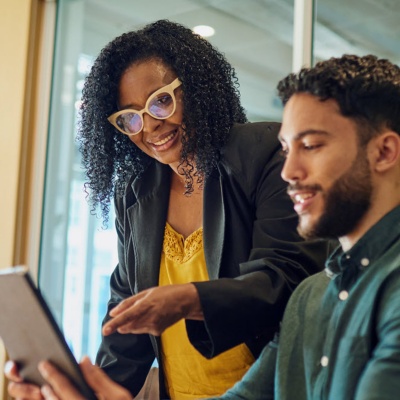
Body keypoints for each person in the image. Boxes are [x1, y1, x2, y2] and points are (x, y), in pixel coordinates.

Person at [5, 20, 328, 399]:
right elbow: (128, 315)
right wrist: (83, 390)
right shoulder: (136, 191)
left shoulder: (267, 154)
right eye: (129, 118)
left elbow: (285, 279)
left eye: (161, 100)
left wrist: (188, 299)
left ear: (196, 86)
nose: (150, 126)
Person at [205, 53, 400, 400]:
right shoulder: (309, 297)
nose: (288, 172)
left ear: (384, 152)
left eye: (310, 146)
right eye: (286, 149)